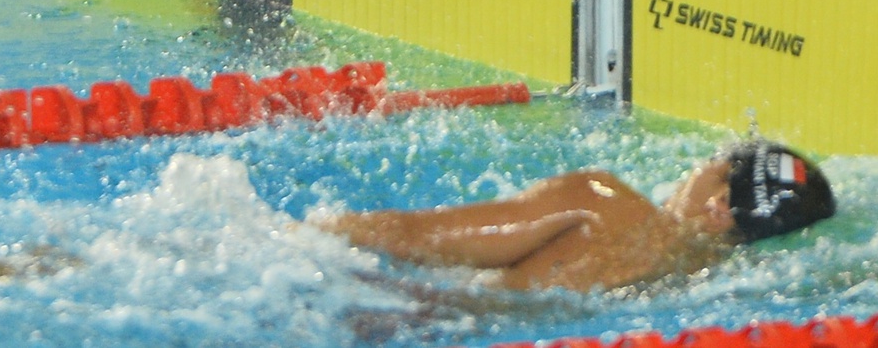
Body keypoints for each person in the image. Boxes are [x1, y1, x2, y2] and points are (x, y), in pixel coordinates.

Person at [319, 139, 833, 292]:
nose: (696, 172)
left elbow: (414, 238)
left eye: (716, 172)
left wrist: (297, 238)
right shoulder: (704, 277)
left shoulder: (604, 203)